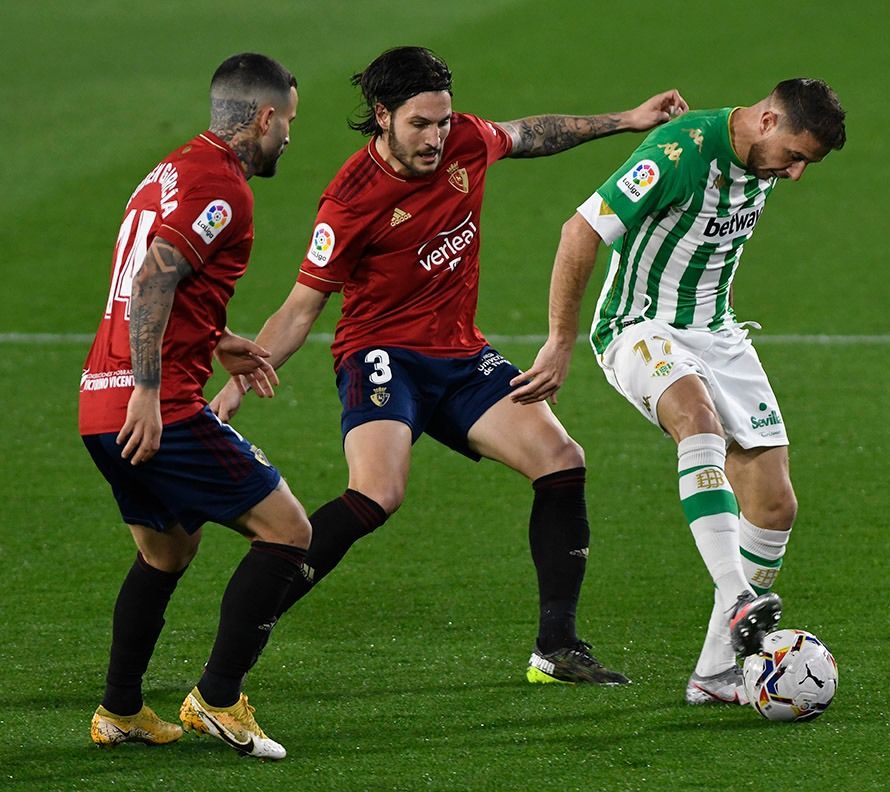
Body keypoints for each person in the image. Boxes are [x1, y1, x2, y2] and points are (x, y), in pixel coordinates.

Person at [210, 46, 687, 685]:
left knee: (562, 461)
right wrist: (242, 381)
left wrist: (625, 119)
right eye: (420, 125)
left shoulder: (463, 141)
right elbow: (300, 310)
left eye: (443, 121)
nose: (438, 138)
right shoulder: (350, 201)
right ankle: (245, 628)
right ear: (382, 116)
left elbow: (530, 134)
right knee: (378, 493)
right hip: (381, 355)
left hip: (459, 354)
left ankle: (557, 646)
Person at [511, 78, 847, 704]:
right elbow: (579, 231)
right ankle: (739, 598)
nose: (796, 175)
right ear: (769, 120)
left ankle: (716, 675)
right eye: (796, 155)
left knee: (775, 505)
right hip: (638, 326)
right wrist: (560, 339)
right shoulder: (679, 153)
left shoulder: (763, 162)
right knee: (699, 421)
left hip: (719, 333)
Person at [80, 53, 310, 759]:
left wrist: (219, 339)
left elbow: (155, 282)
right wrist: (150, 392)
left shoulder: (171, 169)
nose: (290, 139)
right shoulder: (223, 188)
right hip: (157, 406)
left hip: (97, 401)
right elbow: (152, 280)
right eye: (290, 124)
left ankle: (119, 709)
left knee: (166, 550)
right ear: (264, 117)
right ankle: (218, 698)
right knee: (289, 533)